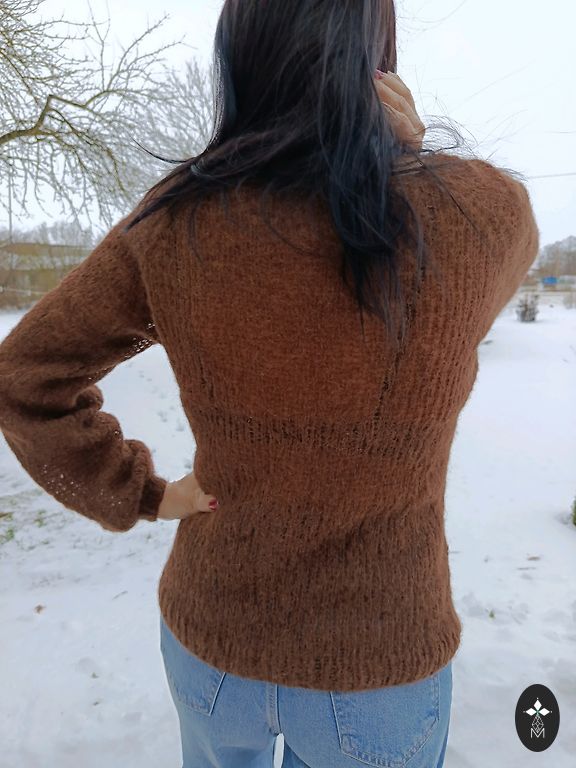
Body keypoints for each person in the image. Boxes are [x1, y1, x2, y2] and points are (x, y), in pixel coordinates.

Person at [0, 1, 539, 766]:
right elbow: (507, 249)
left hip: (213, 646)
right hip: (378, 662)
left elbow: (25, 376)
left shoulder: (176, 222)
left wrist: (146, 494)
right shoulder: (473, 216)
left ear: (241, 53)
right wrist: (410, 158)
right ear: (373, 58)